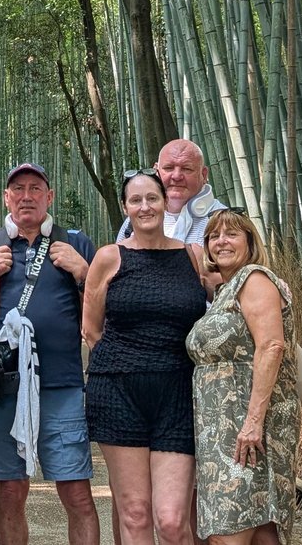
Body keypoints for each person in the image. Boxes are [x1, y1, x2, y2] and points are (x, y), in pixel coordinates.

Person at [83, 169, 207, 545]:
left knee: (171, 520)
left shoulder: (194, 256)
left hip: (178, 394)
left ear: (165, 201)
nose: (145, 206)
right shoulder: (109, 257)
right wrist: (126, 363)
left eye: (152, 197)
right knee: (135, 514)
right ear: (125, 208)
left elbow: (233, 300)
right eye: (135, 200)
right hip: (119, 392)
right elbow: (91, 329)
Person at [0, 162, 100, 545]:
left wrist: (84, 273)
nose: (26, 196)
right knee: (11, 490)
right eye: (18, 189)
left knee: (76, 491)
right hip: (2, 387)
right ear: (6, 197)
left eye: (36, 188)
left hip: (61, 384)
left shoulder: (76, 242)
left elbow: (103, 316)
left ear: (49, 197)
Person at [186, 209, 298, 544]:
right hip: (225, 427)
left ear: (249, 241)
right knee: (260, 528)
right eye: (213, 236)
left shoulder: (254, 279)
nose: (221, 241)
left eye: (231, 234)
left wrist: (252, 422)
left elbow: (272, 346)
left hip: (247, 426)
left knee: (228, 529)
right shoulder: (226, 289)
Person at [116, 139, 225, 246]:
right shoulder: (139, 217)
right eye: (168, 168)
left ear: (204, 175)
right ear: (156, 172)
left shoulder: (222, 220)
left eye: (187, 169)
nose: (177, 176)